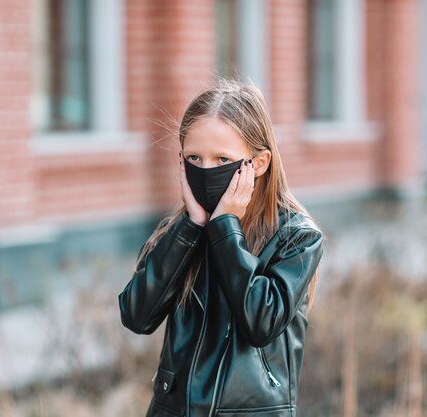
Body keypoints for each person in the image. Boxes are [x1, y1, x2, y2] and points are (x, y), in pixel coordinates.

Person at [118, 79, 324, 417]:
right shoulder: (180, 231)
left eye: (222, 159)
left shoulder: (296, 236)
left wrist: (225, 230)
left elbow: (260, 323)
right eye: (195, 158)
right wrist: (191, 226)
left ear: (258, 164)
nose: (206, 171)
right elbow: (136, 315)